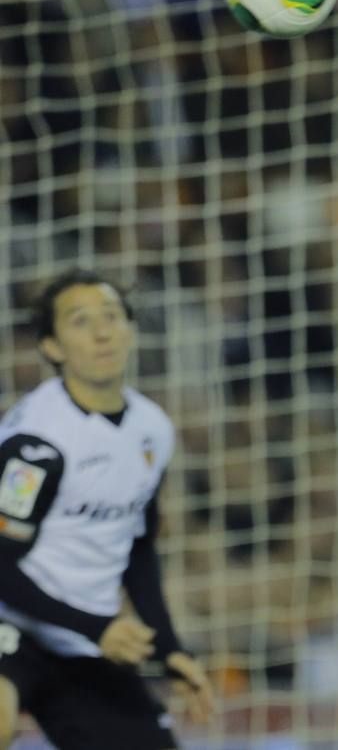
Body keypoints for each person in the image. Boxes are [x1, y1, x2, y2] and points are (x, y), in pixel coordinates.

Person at [0, 272, 214, 749]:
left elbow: (136, 545)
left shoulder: (152, 429)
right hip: (11, 624)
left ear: (130, 330)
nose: (102, 333)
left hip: (82, 642)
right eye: (81, 322)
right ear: (52, 347)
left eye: (112, 317)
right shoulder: (36, 443)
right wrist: (98, 628)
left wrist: (169, 648)